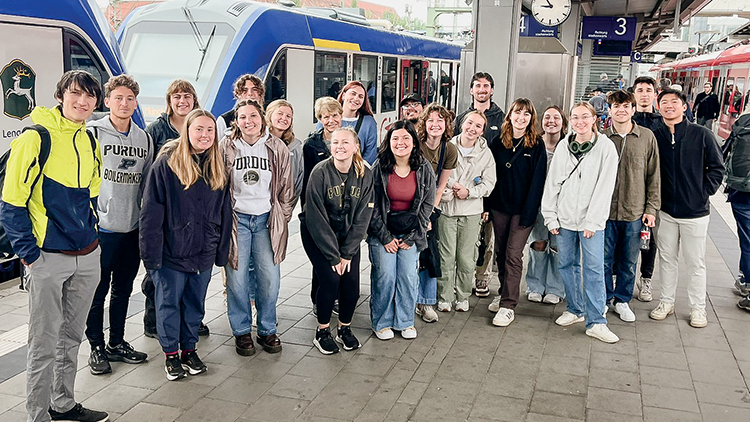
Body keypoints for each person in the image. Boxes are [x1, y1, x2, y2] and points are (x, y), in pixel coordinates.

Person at [1, 70, 108, 422]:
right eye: (75, 93)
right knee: (43, 343)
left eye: (90, 96)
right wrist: (31, 257)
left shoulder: (89, 139)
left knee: (71, 338)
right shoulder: (36, 137)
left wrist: (93, 242)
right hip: (48, 257)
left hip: (86, 254)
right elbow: (11, 202)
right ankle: (37, 415)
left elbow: (91, 196)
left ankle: (62, 404)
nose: (83, 101)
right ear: (60, 95)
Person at [140, 109, 232, 380]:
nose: (204, 135)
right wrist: (151, 257)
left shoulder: (218, 167)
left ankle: (189, 349)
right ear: (186, 131)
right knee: (169, 303)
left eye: (209, 130)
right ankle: (170, 355)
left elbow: (225, 212)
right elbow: (151, 213)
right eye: (199, 129)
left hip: (204, 250)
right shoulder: (167, 164)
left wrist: (221, 251)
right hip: (171, 253)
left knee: (195, 303)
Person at [85, 74, 154, 376]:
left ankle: (117, 342)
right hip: (101, 229)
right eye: (118, 98)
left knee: (123, 290)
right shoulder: (92, 133)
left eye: (129, 99)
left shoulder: (144, 138)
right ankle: (96, 346)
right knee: (96, 292)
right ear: (107, 101)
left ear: (135, 103)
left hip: (132, 228)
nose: (124, 103)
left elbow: (146, 185)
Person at [541, 102, 619, 343]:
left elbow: (605, 188)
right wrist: (550, 216)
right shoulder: (565, 145)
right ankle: (575, 309)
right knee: (567, 264)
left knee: (594, 269)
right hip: (564, 219)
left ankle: (596, 321)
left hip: (590, 223)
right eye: (575, 117)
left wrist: (593, 221)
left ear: (594, 119)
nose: (580, 121)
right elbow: (552, 182)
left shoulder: (606, 148)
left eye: (585, 117)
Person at [221, 99, 294, 356]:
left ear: (262, 119)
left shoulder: (276, 147)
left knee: (269, 278)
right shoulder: (227, 147)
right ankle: (241, 332)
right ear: (236, 121)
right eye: (242, 117)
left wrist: (281, 218)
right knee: (237, 280)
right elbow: (218, 184)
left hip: (265, 220)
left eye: (253, 116)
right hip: (237, 220)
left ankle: (266, 329)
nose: (248, 121)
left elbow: (287, 187)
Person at [648, 89, 724, 328]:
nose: (669, 106)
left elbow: (717, 168)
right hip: (666, 212)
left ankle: (697, 308)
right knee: (667, 260)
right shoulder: (655, 136)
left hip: (695, 213)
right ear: (658, 108)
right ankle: (666, 302)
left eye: (674, 102)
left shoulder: (701, 134)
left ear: (684, 107)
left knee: (695, 263)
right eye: (664, 103)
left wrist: (702, 193)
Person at [143, 79, 207, 338]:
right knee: (159, 275)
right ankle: (154, 320)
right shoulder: (157, 130)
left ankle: (187, 321)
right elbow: (148, 172)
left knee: (188, 275)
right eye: (177, 96)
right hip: (164, 210)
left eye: (187, 96)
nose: (182, 101)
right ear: (169, 101)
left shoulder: (199, 128)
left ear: (194, 100)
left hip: (191, 212)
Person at [301, 127, 374, 354]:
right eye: (335, 143)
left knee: (351, 283)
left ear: (355, 147)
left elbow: (363, 216)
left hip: (347, 237)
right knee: (331, 279)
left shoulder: (365, 174)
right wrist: (334, 256)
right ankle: (322, 331)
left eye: (345, 143)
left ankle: (344, 329)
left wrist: (347, 253)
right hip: (317, 234)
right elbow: (315, 216)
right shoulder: (320, 172)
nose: (339, 147)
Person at [369, 120, 435, 340]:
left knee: (407, 275)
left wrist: (411, 237)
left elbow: (427, 205)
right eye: (395, 138)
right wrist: (386, 237)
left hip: (411, 232)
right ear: (388, 142)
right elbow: (372, 206)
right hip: (382, 232)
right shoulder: (378, 168)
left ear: (414, 142)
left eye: (406, 138)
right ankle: (382, 322)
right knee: (386, 275)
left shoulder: (423, 168)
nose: (400, 142)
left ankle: (405, 321)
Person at [484, 99, 546, 326]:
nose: (521, 117)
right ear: (509, 115)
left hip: (523, 211)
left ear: (531, 119)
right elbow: (490, 176)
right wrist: (487, 208)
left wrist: (530, 213)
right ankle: (502, 292)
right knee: (501, 252)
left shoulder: (536, 145)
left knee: (513, 254)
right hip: (500, 207)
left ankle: (508, 305)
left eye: (526, 114)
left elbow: (538, 182)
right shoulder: (498, 142)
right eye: (517, 113)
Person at [602, 90, 660, 323]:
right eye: (616, 106)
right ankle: (604, 299)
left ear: (634, 110)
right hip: (604, 212)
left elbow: (653, 175)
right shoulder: (602, 138)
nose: (621, 110)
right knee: (603, 259)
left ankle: (622, 300)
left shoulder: (646, 137)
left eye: (626, 105)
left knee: (628, 260)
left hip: (634, 212)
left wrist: (651, 209)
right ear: (610, 110)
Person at [437, 111, 497, 313]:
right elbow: (439, 175)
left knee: (466, 257)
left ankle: (462, 296)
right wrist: (454, 186)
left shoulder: (485, 154)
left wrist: (469, 192)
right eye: (470, 123)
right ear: (462, 124)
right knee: (445, 256)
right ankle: (444, 296)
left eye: (478, 126)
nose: (472, 128)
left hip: (471, 211)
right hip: (447, 209)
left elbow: (489, 183)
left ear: (482, 131)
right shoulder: (447, 147)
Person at [455, 72, 505, 297]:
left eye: (486, 86)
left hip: (488, 187)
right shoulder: (462, 117)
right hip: (460, 191)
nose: (482, 90)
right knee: (465, 239)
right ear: (471, 90)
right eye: (478, 86)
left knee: (486, 237)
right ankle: (460, 277)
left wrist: (487, 198)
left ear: (492, 90)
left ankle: (482, 277)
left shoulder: (501, 118)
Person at [414, 104, 458, 323]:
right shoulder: (415, 144)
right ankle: (408, 298)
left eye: (440, 120)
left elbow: (441, 186)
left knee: (430, 254)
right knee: (409, 254)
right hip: (409, 206)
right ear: (424, 123)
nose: (435, 125)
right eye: (430, 120)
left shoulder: (449, 150)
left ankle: (426, 302)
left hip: (430, 207)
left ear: (446, 125)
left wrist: (428, 214)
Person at [303, 97, 342, 316]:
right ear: (319, 119)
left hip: (341, 209)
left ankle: (335, 295)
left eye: (335, 115)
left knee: (337, 253)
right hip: (319, 209)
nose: (331, 120)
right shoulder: (312, 145)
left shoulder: (349, 140)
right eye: (325, 116)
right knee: (321, 257)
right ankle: (318, 298)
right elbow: (308, 181)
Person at [525, 106, 568, 305]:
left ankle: (555, 288)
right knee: (539, 244)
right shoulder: (534, 145)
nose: (551, 121)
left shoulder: (570, 145)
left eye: (556, 117)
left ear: (563, 122)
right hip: (538, 205)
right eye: (547, 117)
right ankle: (535, 285)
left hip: (563, 207)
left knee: (558, 247)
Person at [631, 76, 660, 301]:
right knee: (623, 238)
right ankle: (618, 276)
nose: (644, 94)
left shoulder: (662, 123)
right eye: (639, 90)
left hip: (652, 191)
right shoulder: (623, 119)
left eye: (648, 90)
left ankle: (646, 278)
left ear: (654, 95)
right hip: (627, 192)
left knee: (649, 239)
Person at [724, 110, 750, 311]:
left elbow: (727, 151)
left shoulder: (744, 120)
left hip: (741, 190)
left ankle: (747, 282)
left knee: (747, 239)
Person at [316, 81, 378, 164]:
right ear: (344, 95)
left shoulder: (369, 123)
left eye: (360, 96)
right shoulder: (328, 120)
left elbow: (370, 153)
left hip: (357, 172)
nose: (356, 98)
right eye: (353, 94)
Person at [266, 99, 303, 202]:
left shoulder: (295, 146)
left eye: (288, 116)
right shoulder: (259, 143)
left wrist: (287, 209)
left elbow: (298, 181)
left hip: (284, 207)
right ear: (269, 115)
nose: (284, 118)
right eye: (280, 114)